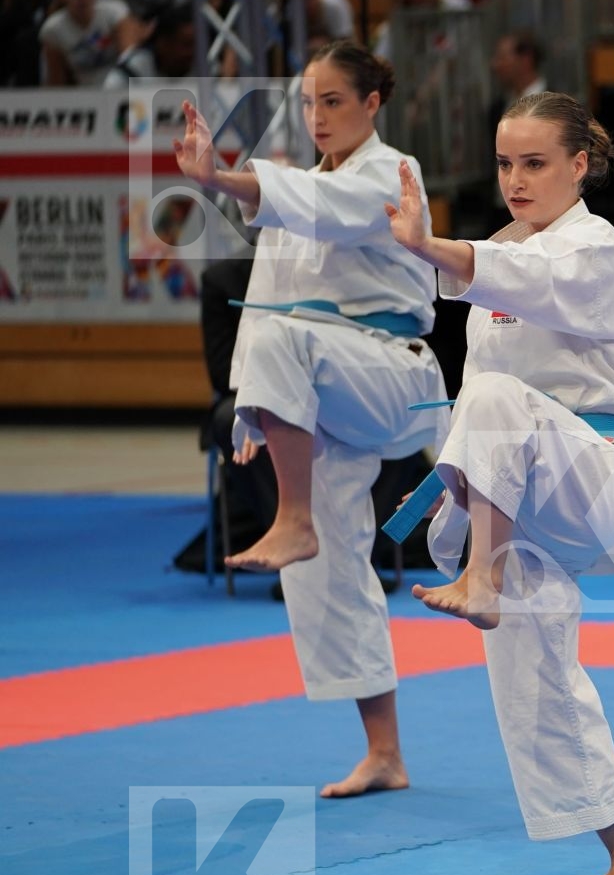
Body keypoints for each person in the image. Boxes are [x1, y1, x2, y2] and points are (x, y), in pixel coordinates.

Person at [385, 91, 614, 875]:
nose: (516, 179)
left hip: (600, 476)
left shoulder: (593, 245)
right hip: (527, 493)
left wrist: (431, 244)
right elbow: (481, 391)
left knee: (493, 400)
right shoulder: (501, 254)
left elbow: (520, 283)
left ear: (579, 165)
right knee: (534, 677)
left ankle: (483, 577)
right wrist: (449, 476)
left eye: (536, 163)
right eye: (505, 163)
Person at [171, 40, 449, 799]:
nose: (318, 117)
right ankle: (384, 753)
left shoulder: (394, 174)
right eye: (308, 103)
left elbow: (325, 210)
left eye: (333, 101)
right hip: (326, 387)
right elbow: (271, 286)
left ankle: (291, 513)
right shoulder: (300, 193)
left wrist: (223, 177)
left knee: (279, 330)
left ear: (371, 105)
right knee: (326, 569)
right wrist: (252, 416)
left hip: (393, 374)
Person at [39, 0, 131, 85]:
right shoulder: (53, 29)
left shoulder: (114, 12)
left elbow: (130, 59)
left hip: (121, 87)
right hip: (86, 95)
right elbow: (56, 81)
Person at [103, 2, 194, 83]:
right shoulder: (130, 72)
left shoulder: (202, 66)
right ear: (163, 44)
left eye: (196, 45)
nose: (192, 52)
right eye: (187, 45)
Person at [490, 29, 546, 102]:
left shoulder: (555, 107)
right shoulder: (499, 106)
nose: (495, 65)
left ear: (526, 59)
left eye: (502, 58)